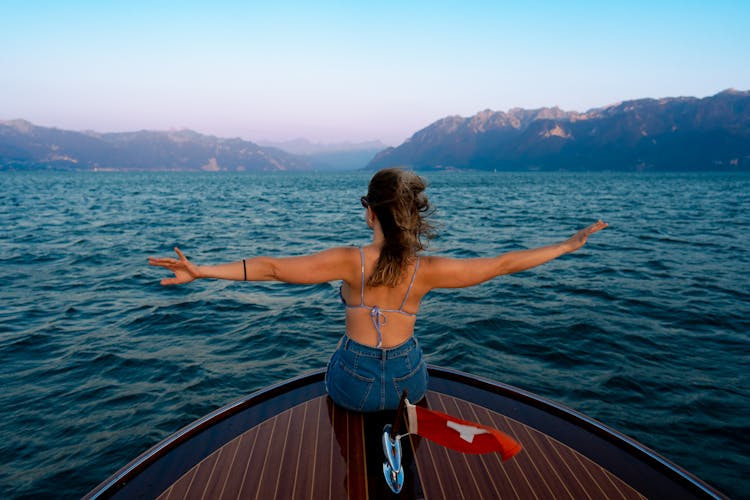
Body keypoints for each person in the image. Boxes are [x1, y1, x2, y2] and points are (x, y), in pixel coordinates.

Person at [148, 168, 607, 412]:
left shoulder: (351, 262)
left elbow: (270, 269)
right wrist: (566, 246)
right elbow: (503, 264)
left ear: (370, 212)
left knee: (335, 365)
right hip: (412, 380)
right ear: (409, 215)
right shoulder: (426, 270)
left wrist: (202, 270)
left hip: (355, 379)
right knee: (407, 368)